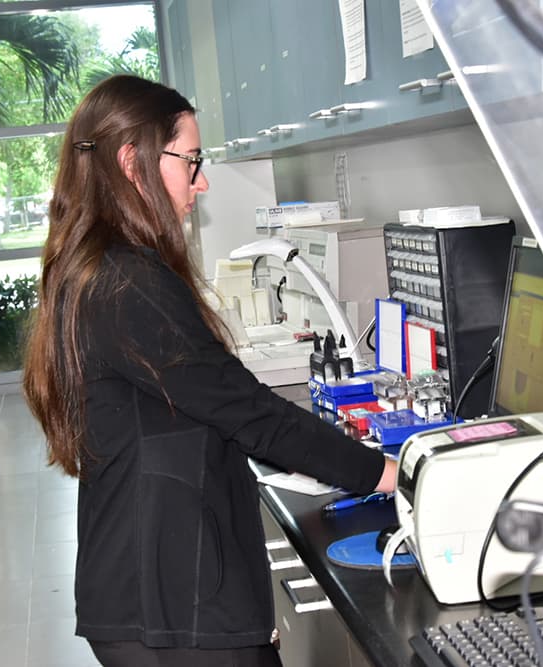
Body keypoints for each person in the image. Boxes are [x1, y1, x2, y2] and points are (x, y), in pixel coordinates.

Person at [22, 75, 397, 667]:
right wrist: (387, 474)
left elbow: (221, 408)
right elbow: (251, 414)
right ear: (133, 162)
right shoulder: (128, 284)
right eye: (191, 160)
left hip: (154, 589)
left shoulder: (103, 267)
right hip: (171, 606)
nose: (201, 181)